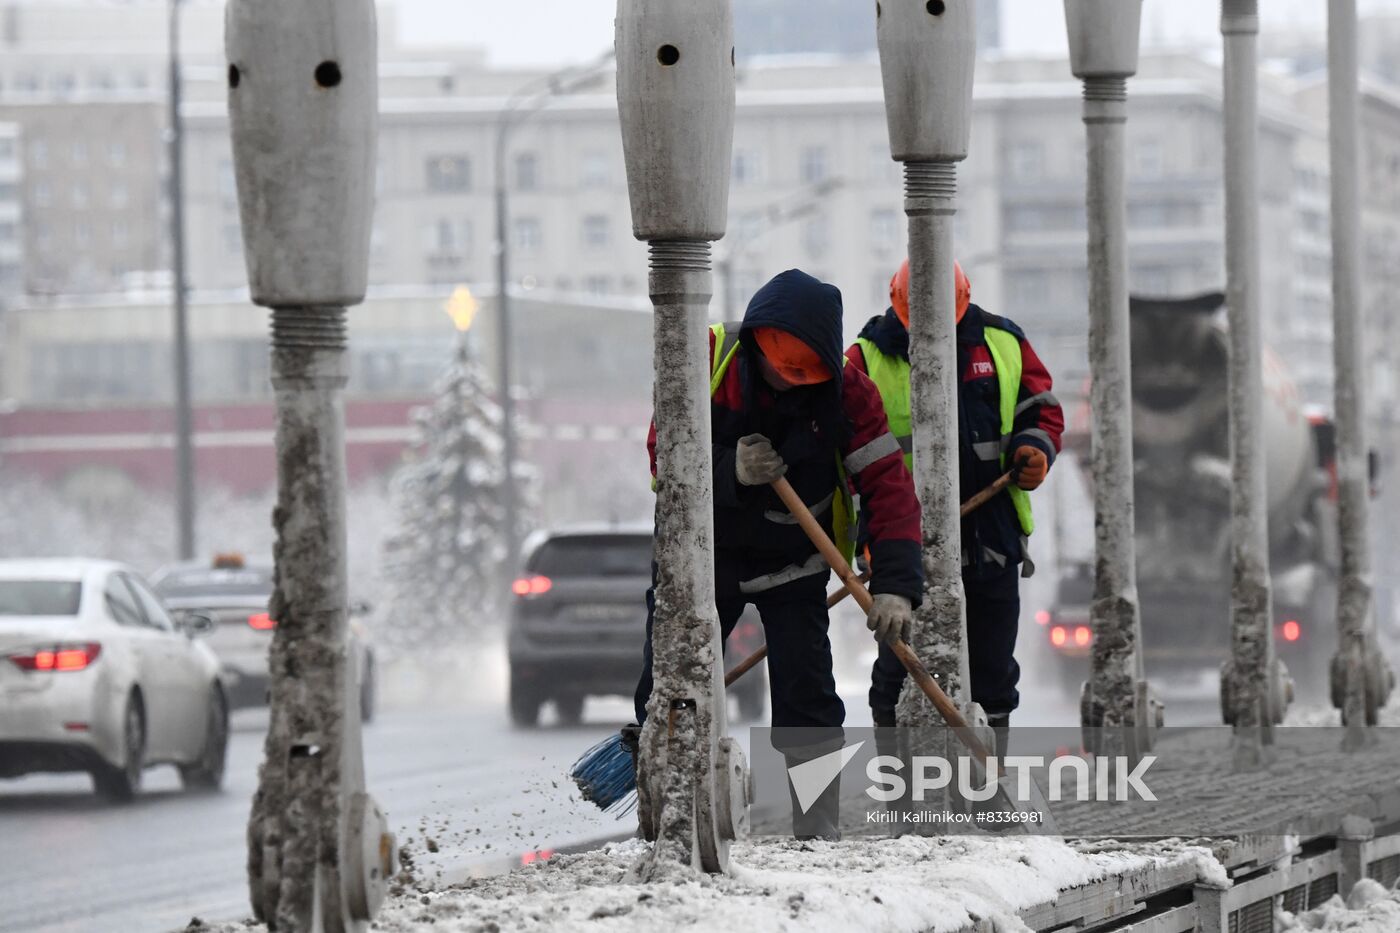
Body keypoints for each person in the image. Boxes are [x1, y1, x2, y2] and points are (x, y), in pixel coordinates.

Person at [629, 269, 923, 839]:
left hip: (796, 562)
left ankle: (818, 827)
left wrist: (896, 584)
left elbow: (888, 486)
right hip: (702, 559)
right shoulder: (707, 358)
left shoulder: (848, 393)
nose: (790, 383)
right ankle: (669, 819)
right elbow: (664, 457)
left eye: (803, 374)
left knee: (807, 695)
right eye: (782, 368)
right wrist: (730, 469)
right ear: (758, 339)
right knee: (669, 685)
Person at [846, 259, 1064, 757]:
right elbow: (841, 449)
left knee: (992, 668)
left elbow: (1042, 408)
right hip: (901, 538)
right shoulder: (864, 359)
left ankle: (989, 781)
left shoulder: (1002, 343)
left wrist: (1034, 449)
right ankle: (901, 786)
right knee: (896, 667)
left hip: (991, 532)